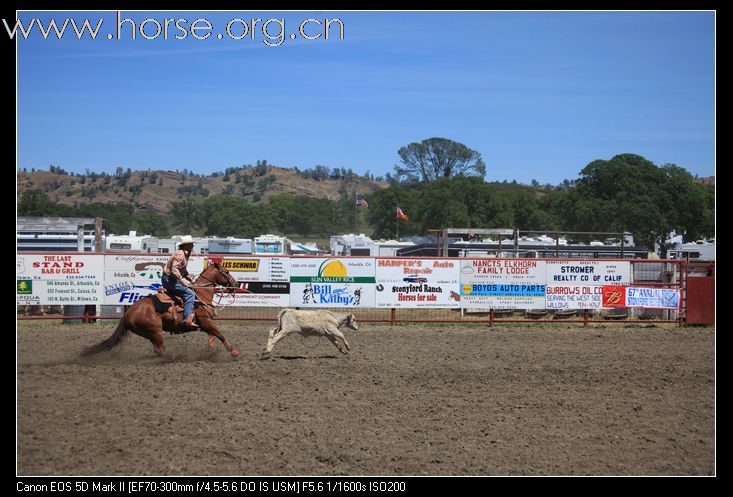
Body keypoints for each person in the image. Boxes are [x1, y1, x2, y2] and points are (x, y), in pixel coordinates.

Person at [162, 235, 198, 330]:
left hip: (170, 279)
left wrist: (188, 276)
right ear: (186, 245)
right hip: (170, 279)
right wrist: (182, 280)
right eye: (191, 245)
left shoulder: (184, 254)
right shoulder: (180, 254)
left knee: (191, 289)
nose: (192, 246)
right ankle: (187, 319)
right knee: (190, 294)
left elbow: (181, 269)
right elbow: (174, 269)